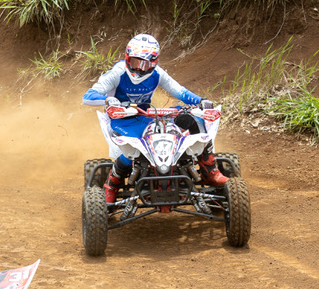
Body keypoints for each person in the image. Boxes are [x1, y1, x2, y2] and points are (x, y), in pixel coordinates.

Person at [82, 33, 227, 202]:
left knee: (193, 121)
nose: (141, 68)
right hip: (123, 119)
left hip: (147, 117)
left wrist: (201, 101)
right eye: (137, 62)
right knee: (134, 150)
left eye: (147, 63)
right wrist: (107, 100)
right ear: (128, 58)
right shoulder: (118, 72)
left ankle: (209, 171)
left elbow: (179, 91)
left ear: (155, 61)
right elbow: (88, 96)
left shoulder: (157, 73)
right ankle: (112, 183)